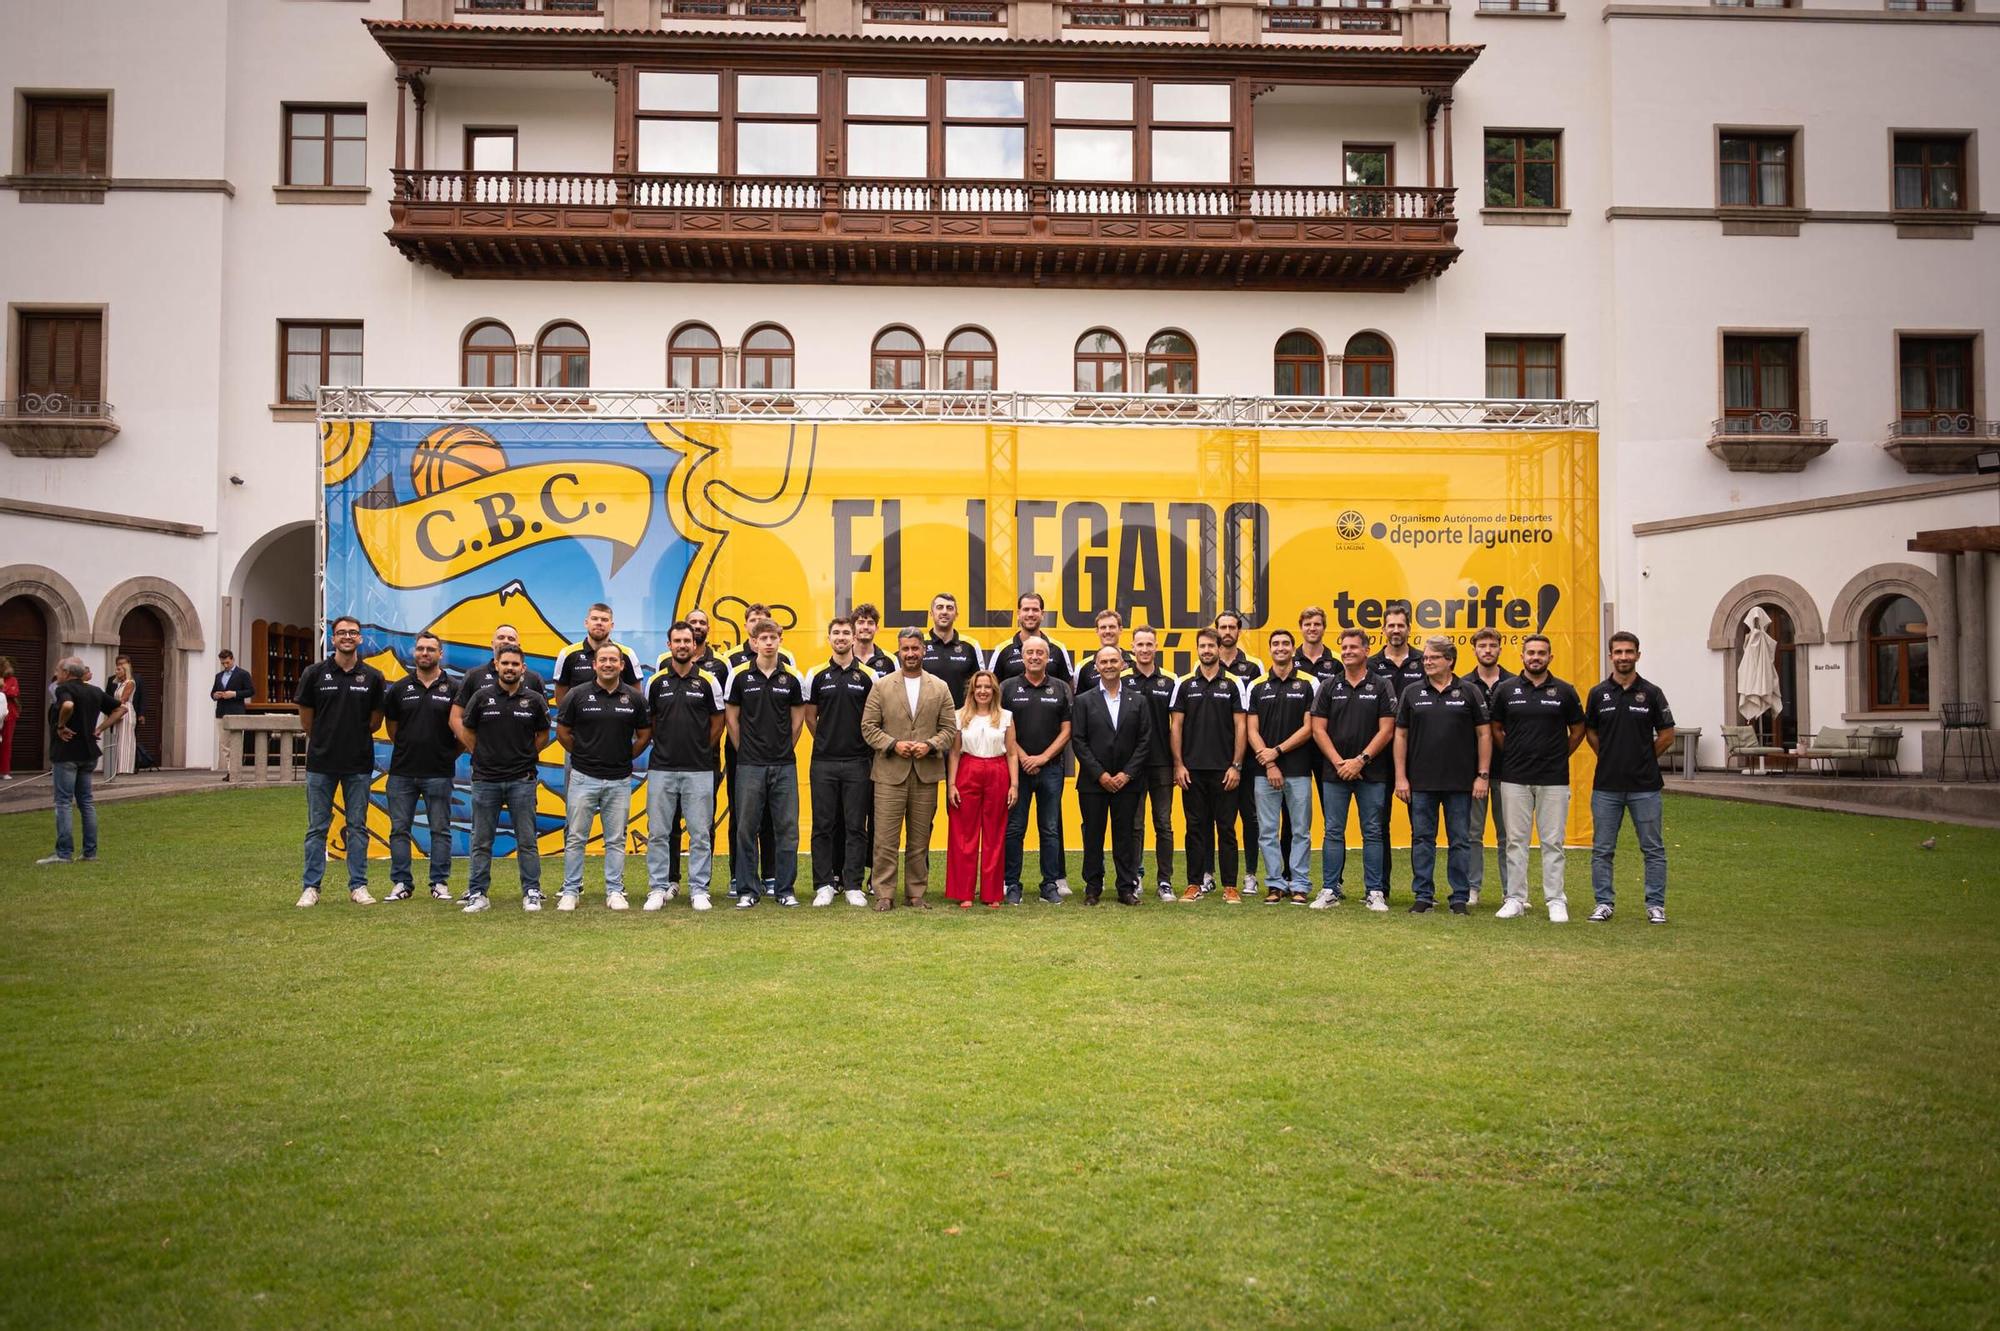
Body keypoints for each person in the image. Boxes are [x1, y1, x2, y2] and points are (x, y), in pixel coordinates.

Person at [860, 627, 959, 911]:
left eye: (916, 648)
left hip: (926, 774)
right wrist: (892, 744)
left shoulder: (939, 687)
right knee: (885, 837)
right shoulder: (881, 686)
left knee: (920, 838)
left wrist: (930, 744)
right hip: (890, 772)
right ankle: (884, 894)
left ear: (923, 650)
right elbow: (868, 727)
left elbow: (949, 728)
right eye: (906, 649)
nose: (911, 654)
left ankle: (916, 893)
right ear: (898, 651)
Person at [1489, 633, 1585, 923]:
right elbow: (1496, 728)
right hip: (1514, 777)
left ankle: (1556, 900)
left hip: (1553, 778)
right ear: (1522, 656)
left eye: (1541, 653)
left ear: (1550, 657)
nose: (1535, 657)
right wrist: (1514, 753)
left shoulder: (1565, 691)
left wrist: (1558, 755)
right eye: (1530, 652)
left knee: (1553, 841)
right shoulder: (1506, 690)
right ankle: (1516, 898)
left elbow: (1578, 730)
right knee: (1515, 840)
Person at [1393, 636, 1492, 915]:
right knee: (1422, 838)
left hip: (1460, 782)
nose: (1427, 662)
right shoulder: (1412, 692)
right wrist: (1401, 777)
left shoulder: (1470, 691)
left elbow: (1484, 734)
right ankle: (1423, 895)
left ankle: (1459, 897)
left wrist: (1482, 775)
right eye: (1425, 658)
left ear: (1449, 660)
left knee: (1460, 839)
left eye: (1433, 657)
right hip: (1421, 782)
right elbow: (1400, 735)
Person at [1583, 631, 1675, 925]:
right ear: (1610, 655)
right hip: (1606, 785)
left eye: (1629, 652)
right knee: (1602, 849)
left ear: (1638, 655)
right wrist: (1609, 755)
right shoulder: (1598, 693)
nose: (1623, 657)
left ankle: (1655, 905)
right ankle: (1603, 903)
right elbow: (1591, 733)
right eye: (1618, 652)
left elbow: (1667, 734)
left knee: (1653, 849)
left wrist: (1644, 758)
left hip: (1645, 786)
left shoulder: (1651, 692)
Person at [295, 615, 387, 907]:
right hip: (321, 763)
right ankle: (311, 887)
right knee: (317, 828)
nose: (348, 637)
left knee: (357, 827)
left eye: (353, 633)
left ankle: (358, 886)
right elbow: (307, 721)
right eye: (342, 633)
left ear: (360, 639)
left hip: (358, 763)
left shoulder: (373, 677)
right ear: (333, 639)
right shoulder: (314, 673)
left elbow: (374, 722)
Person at [556, 641, 650, 911]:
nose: (608, 664)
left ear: (621, 665)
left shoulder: (633, 698)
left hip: (619, 779)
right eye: (603, 660)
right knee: (576, 837)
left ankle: (615, 891)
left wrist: (625, 755)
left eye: (613, 660)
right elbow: (563, 732)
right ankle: (571, 890)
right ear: (594, 664)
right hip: (583, 777)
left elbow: (645, 734)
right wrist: (583, 755)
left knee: (616, 839)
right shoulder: (577, 694)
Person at [1308, 628, 1395, 910]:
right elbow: (1318, 729)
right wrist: (1339, 763)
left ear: (1366, 650)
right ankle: (1330, 889)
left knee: (1372, 831)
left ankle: (1375, 892)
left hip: (1372, 772)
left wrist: (1361, 760)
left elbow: (1387, 729)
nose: (1347, 652)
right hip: (1335, 773)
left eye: (1353, 647)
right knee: (1333, 831)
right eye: (1344, 647)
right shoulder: (1329, 685)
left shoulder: (1381, 685)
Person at [460, 645, 551, 912]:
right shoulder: (481, 697)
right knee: (481, 840)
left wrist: (524, 755)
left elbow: (543, 736)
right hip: (485, 780)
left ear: (523, 668)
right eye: (505, 663)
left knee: (526, 840)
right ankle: (478, 893)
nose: (510, 668)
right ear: (496, 666)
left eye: (515, 664)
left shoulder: (534, 699)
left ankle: (532, 891)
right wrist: (484, 755)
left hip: (522, 780)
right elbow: (467, 730)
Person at [724, 618, 807, 908]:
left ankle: (785, 889)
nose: (769, 642)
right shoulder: (739, 676)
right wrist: (743, 749)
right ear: (754, 642)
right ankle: (748, 890)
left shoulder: (792, 678)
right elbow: (731, 718)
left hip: (784, 764)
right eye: (763, 638)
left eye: (773, 637)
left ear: (780, 640)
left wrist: (785, 747)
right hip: (749, 764)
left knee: (787, 828)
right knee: (747, 828)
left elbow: (798, 720)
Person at [644, 620, 725, 911]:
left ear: (694, 646)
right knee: (659, 832)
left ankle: (699, 889)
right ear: (669, 645)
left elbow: (718, 721)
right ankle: (657, 887)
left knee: (700, 832)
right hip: (662, 768)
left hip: (699, 768)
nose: (682, 645)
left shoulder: (708, 680)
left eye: (686, 641)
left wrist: (702, 747)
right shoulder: (655, 682)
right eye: (676, 641)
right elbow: (650, 722)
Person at [382, 631, 461, 902]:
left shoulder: (453, 688)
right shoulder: (399, 688)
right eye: (420, 649)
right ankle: (402, 883)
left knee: (440, 829)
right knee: (399, 829)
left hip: (439, 771)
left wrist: (448, 753)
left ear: (440, 654)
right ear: (414, 653)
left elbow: (461, 730)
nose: (425, 653)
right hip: (402, 771)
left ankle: (439, 883)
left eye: (430, 649)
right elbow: (393, 728)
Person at [1170, 628, 1248, 902]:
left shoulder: (1234, 684)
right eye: (1202, 646)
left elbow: (1241, 726)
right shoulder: (1184, 684)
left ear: (1218, 648)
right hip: (1192, 771)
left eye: (1210, 646)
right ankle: (1194, 884)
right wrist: (1178, 765)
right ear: (1197, 649)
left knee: (1226, 828)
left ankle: (1230, 886)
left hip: (1224, 770)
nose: (1206, 650)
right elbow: (1176, 726)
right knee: (1195, 828)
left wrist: (1236, 765)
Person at [1072, 645, 1152, 905]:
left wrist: (1126, 774)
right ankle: (1092, 888)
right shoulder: (1083, 700)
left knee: (1125, 837)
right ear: (1096, 667)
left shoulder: (1138, 700)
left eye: (1113, 661)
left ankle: (1126, 888)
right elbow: (1079, 741)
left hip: (1128, 783)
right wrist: (1101, 774)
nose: (1108, 665)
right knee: (1093, 835)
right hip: (1094, 783)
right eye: (1103, 661)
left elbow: (1145, 741)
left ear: (1123, 665)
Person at [805, 616, 877, 907]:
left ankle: (852, 885)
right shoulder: (817, 674)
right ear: (829, 638)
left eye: (846, 632)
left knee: (855, 826)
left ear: (853, 636)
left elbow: (875, 717)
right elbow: (810, 716)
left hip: (859, 761)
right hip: (824, 761)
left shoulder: (870, 676)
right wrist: (825, 738)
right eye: (836, 632)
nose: (841, 637)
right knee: (823, 824)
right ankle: (824, 884)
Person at [999, 634, 1072, 905]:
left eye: (1040, 653)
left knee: (1050, 829)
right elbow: (1002, 728)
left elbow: (1067, 730)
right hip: (1016, 771)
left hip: (1051, 769)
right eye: (1029, 653)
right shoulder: (1007, 687)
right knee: (1015, 828)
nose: (1034, 657)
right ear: (1022, 656)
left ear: (1048, 657)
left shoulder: (1061, 688)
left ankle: (1049, 884)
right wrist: (1023, 757)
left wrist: (1041, 758)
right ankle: (1011, 883)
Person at [1247, 629, 1318, 904]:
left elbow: (1309, 727)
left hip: (1299, 769)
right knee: (1267, 831)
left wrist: (1276, 752)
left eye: (1285, 643)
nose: (1280, 648)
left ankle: (1299, 884)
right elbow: (1251, 729)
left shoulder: (1308, 683)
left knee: (1300, 830)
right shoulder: (1257, 685)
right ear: (1270, 649)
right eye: (1275, 644)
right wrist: (1269, 762)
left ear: (1292, 648)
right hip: (1264, 771)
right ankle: (1275, 884)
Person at [38, 657, 124, 864]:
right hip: (88, 754)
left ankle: (63, 853)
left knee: (63, 803)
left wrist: (61, 726)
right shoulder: (93, 690)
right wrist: (100, 729)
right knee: (86, 803)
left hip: (66, 753)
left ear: (67, 673)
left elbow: (67, 705)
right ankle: (90, 852)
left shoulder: (63, 689)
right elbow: (121, 709)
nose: (56, 673)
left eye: (58, 670)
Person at [946, 669, 1017, 908]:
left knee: (995, 835)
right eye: (979, 687)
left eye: (987, 687)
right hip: (968, 769)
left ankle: (992, 893)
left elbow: (1012, 752)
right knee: (963, 834)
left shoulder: (1006, 716)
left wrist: (1014, 785)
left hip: (997, 771)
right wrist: (952, 784)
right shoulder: (960, 716)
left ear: (994, 690)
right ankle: (964, 891)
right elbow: (954, 752)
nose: (983, 691)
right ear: (972, 691)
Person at [1368, 601, 1425, 900]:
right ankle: (1382, 889)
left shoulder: (1423, 661)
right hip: (1380, 755)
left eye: (1400, 625)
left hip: (1416, 753)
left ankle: (1422, 890)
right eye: (1390, 625)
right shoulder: (1372, 664)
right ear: (1383, 629)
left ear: (1408, 628)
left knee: (1421, 824)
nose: (1395, 630)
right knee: (1380, 824)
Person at [1126, 625, 1179, 901]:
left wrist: (1178, 763)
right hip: (1132, 766)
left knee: (1163, 824)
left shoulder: (1170, 681)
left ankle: (1165, 881)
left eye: (1149, 644)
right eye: (1140, 645)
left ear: (1157, 647)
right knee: (1134, 825)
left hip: (1161, 763)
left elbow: (1177, 727)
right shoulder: (1123, 680)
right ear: (1132, 648)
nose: (1144, 649)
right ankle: (1134, 878)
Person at [1461, 626, 1513, 907]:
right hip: (1474, 773)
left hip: (1509, 771)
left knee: (1509, 835)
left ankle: (1511, 891)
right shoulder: (1464, 684)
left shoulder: (1515, 683)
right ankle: (1472, 888)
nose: (1488, 650)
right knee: (1472, 834)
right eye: (1482, 646)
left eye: (1492, 645)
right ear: (1475, 650)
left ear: (1500, 648)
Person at [1213, 611, 1263, 893]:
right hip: (1217, 754)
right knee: (1218, 818)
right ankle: (1209, 874)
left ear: (1239, 631)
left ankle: (1251, 874)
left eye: (1232, 627)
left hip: (1247, 757)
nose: (1227, 631)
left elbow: (1253, 713)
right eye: (1223, 627)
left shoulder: (1254, 667)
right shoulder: (1205, 662)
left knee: (1250, 815)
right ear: (1216, 630)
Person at [451, 625, 548, 745]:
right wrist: (476, 750)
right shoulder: (474, 675)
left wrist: (529, 755)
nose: (506, 641)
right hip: (485, 762)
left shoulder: (534, 678)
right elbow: (455, 718)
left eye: (511, 639)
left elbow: (543, 730)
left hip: (522, 762)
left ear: (518, 645)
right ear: (492, 643)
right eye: (501, 637)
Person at [988, 592, 1075, 688]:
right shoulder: (1002, 650)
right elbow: (992, 686)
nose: (1030, 614)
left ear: (1042, 614)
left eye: (1035, 610)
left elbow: (1068, 688)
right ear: (1018, 614)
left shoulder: (1058, 648)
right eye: (1026, 609)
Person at [920, 592, 984, 708]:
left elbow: (980, 684)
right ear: (931, 614)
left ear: (956, 615)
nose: (944, 612)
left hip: (962, 718)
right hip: (928, 717)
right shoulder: (920, 644)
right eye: (940, 607)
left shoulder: (971, 645)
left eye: (949, 608)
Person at [1072, 609, 1136, 696]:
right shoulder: (1083, 667)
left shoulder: (1135, 664)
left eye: (1112, 627)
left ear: (1120, 630)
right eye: (1103, 627)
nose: (1107, 631)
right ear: (1097, 631)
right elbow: (1078, 702)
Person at [101, 655, 137, 781]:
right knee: (117, 738)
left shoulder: (130, 682)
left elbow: (124, 698)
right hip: (117, 710)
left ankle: (125, 768)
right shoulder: (118, 684)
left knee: (125, 740)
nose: (116, 672)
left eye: (119, 670)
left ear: (125, 671)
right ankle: (116, 767)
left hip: (125, 711)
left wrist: (113, 704)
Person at [850, 603, 897, 677]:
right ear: (853, 628)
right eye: (861, 622)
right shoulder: (844, 658)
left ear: (876, 629)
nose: (865, 627)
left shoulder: (890, 660)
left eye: (870, 623)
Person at [0, 655, 18, 780]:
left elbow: (14, 692)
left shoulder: (12, 679)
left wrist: (3, 687)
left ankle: (4, 770)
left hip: (9, 715)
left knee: (6, 743)